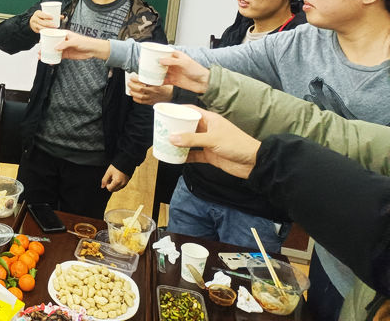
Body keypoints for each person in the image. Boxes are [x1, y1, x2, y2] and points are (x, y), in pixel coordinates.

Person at [56, 0, 390, 320]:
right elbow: (212, 69)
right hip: (324, 245)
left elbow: (305, 125)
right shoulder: (298, 41)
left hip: (293, 219)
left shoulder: (306, 37)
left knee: (241, 303)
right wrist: (103, 49)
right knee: (178, 287)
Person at [157, 53, 390, 321]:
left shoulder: (294, 49)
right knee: (179, 283)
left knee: (246, 301)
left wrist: (264, 163)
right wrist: (204, 85)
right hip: (200, 186)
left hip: (256, 209)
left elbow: (319, 130)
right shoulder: (236, 36)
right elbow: (330, 131)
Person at [129, 0, 314, 253]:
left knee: (240, 284)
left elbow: (277, 116)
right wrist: (169, 94)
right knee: (175, 273)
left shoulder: (301, 46)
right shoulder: (238, 29)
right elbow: (215, 92)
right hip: (197, 187)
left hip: (254, 206)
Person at [0, 0, 167, 219]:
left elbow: (148, 102)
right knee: (26, 232)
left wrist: (126, 160)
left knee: (77, 238)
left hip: (93, 161)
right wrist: (29, 25)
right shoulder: (61, 4)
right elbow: (4, 40)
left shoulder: (143, 24)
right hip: (39, 151)